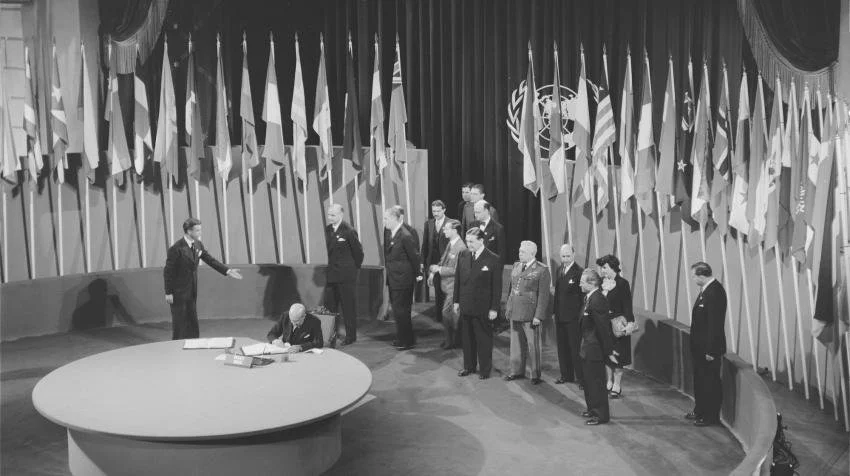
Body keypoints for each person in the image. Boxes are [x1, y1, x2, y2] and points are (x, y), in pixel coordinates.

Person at [164, 218, 242, 340]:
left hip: (192, 290)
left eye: (200, 229)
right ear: (189, 231)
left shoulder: (198, 244)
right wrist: (168, 292)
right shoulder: (176, 248)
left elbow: (210, 260)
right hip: (178, 292)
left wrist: (227, 271)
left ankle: (194, 342)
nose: (200, 232)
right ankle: (177, 345)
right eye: (197, 230)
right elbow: (168, 272)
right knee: (179, 321)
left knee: (192, 319)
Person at [453, 228, 502, 380]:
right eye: (467, 241)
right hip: (466, 305)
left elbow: (497, 287)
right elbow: (458, 280)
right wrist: (456, 301)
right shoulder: (463, 254)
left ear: (481, 241)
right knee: (467, 339)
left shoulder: (493, 258)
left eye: (471, 241)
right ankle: (469, 366)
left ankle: (485, 370)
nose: (468, 244)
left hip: (483, 308)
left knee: (483, 340)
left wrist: (494, 308)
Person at [503, 241, 551, 384]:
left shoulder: (542, 270)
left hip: (530, 314)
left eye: (522, 252)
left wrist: (538, 315)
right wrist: (509, 307)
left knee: (533, 345)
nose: (519, 254)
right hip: (516, 310)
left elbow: (543, 295)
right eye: (519, 251)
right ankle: (516, 371)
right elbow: (512, 290)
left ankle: (535, 375)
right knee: (516, 343)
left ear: (532, 253)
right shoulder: (517, 265)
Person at [687, 262, 727, 427]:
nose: (693, 278)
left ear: (702, 275)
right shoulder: (706, 291)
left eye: (694, 275)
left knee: (710, 382)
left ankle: (710, 416)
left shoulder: (715, 292)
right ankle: (700, 410)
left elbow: (715, 324)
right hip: (700, 348)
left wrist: (711, 349)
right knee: (700, 380)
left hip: (709, 350)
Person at [578, 268, 617, 425]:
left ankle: (600, 415)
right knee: (588, 381)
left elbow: (603, 328)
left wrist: (608, 351)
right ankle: (592, 409)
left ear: (592, 283)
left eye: (582, 282)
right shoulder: (588, 298)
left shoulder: (597, 300)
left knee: (596, 383)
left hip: (594, 349)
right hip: (587, 347)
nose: (580, 284)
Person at [324, 204, 364, 346]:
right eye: (329, 215)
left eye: (333, 215)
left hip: (346, 276)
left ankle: (351, 336)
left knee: (348, 307)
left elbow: (358, 254)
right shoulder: (328, 230)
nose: (330, 217)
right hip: (332, 275)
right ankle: (331, 335)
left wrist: (352, 270)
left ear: (341, 215)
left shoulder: (349, 231)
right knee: (330, 307)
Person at [383, 206, 422, 350]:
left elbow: (414, 257)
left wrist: (418, 274)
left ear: (395, 218)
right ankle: (402, 337)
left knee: (402, 311)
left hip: (403, 279)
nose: (384, 221)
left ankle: (407, 341)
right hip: (394, 278)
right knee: (398, 311)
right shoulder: (390, 233)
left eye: (386, 218)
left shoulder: (405, 235)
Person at [596, 254, 634, 399]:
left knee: (618, 355)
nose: (602, 271)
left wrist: (629, 323)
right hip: (604, 325)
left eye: (605, 268)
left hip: (617, 324)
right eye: (601, 268)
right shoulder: (601, 283)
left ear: (612, 267)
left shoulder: (623, 283)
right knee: (606, 354)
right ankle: (609, 381)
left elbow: (627, 305)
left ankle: (617, 385)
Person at [429, 219, 466, 349]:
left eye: (446, 228)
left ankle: (452, 341)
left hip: (454, 288)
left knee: (447, 314)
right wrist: (433, 273)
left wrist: (439, 270)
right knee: (451, 315)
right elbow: (443, 260)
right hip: (448, 286)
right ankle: (453, 340)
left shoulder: (460, 247)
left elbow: (457, 270)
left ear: (454, 231)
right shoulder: (451, 243)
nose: (444, 230)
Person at [553, 244, 584, 387]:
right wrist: (554, 312)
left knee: (575, 349)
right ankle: (566, 375)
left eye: (568, 256)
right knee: (562, 347)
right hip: (560, 316)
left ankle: (582, 379)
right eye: (563, 256)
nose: (565, 259)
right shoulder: (559, 270)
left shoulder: (579, 272)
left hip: (573, 318)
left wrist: (580, 317)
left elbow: (583, 297)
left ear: (573, 255)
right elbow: (557, 295)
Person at [422, 200, 450, 321]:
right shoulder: (428, 224)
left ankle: (446, 315)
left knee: (445, 289)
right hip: (433, 261)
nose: (436, 213)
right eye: (434, 211)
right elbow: (425, 245)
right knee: (437, 288)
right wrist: (422, 261)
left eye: (438, 211)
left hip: (446, 262)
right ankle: (439, 316)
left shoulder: (451, 223)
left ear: (444, 210)